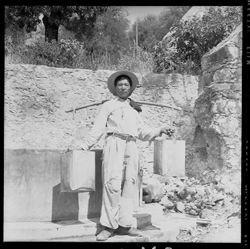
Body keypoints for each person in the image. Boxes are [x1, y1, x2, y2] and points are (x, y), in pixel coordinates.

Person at [78, 70, 174, 241]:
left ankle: (125, 225)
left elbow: (142, 132)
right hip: (114, 144)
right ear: (115, 88)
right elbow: (98, 128)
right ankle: (108, 226)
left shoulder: (134, 108)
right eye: (120, 84)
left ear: (131, 88)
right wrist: (84, 145)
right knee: (111, 184)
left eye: (126, 85)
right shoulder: (108, 105)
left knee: (130, 185)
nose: (123, 87)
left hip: (131, 146)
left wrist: (159, 130)